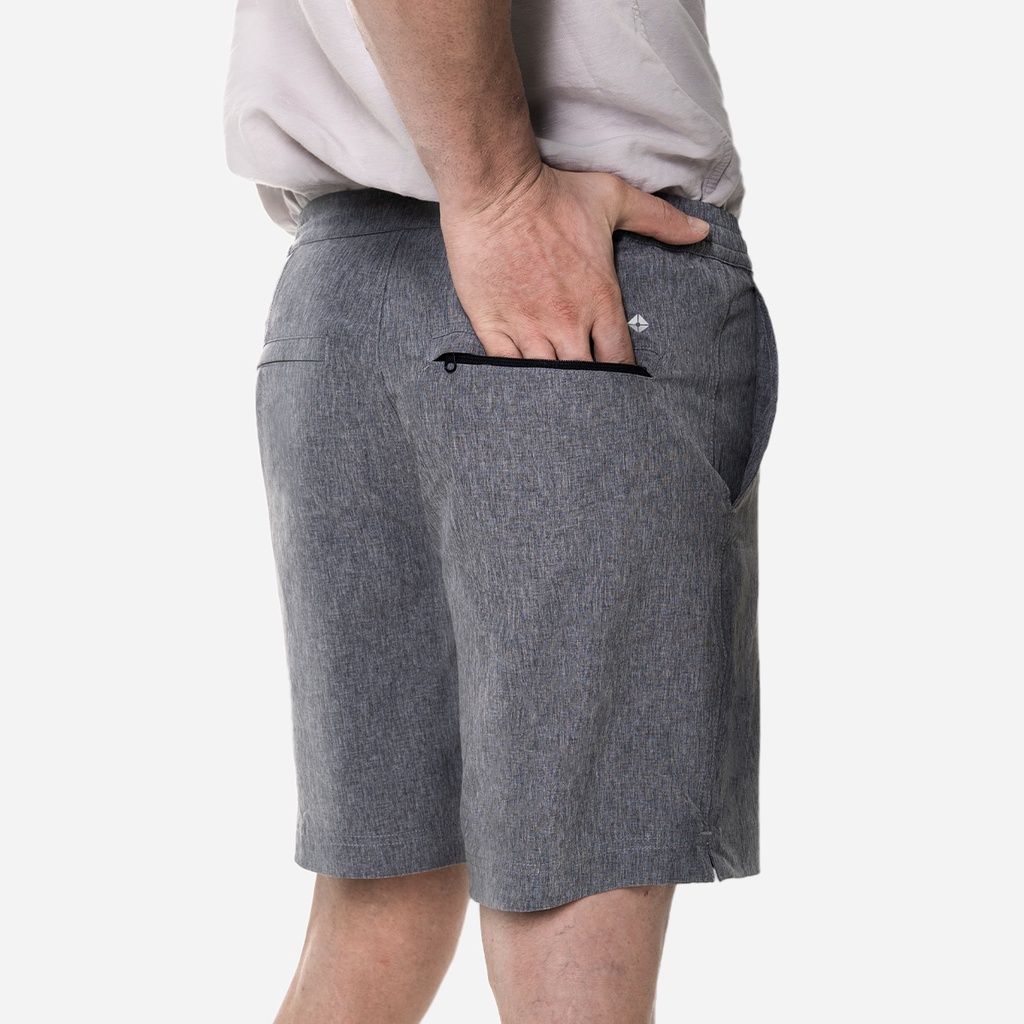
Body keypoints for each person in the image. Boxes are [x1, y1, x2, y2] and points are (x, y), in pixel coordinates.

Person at [223, 0, 779, 1020]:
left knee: (377, 912)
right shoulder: (513, 213)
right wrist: (501, 195)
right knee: (569, 925)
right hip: (556, 289)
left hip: (342, 295)